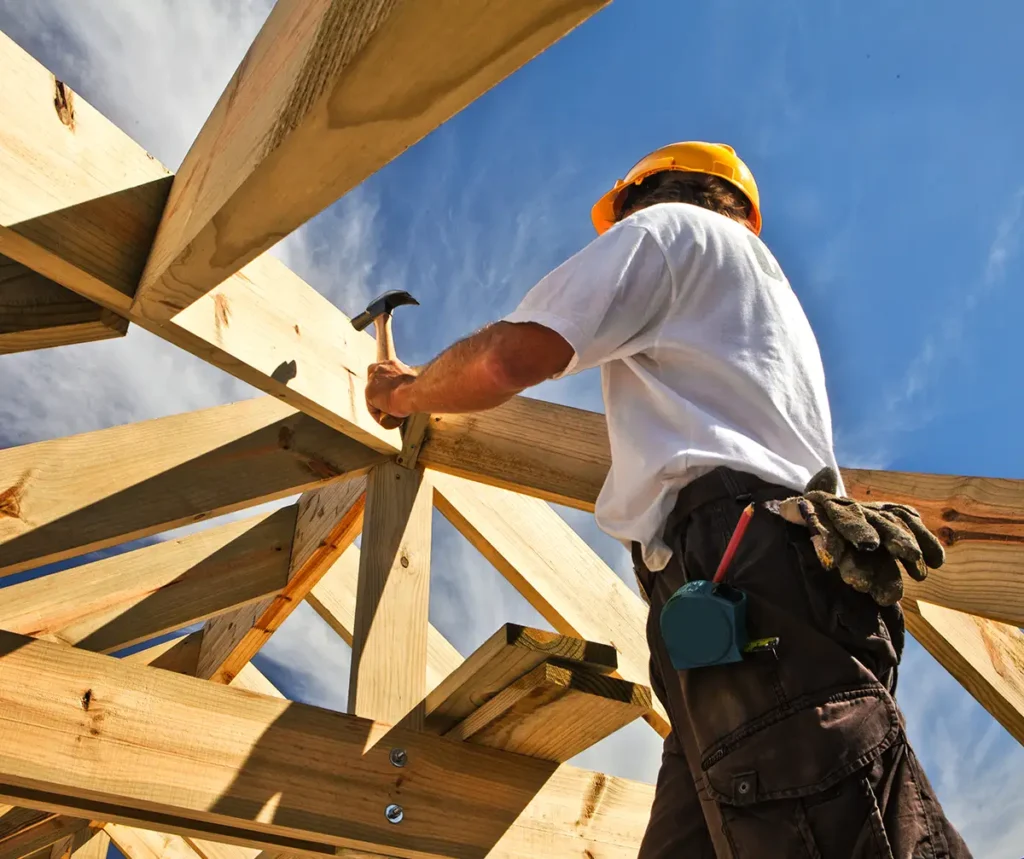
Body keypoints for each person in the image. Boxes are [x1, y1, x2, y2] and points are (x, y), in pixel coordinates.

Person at [364, 141, 970, 857]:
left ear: (645, 198)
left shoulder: (668, 231)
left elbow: (508, 357)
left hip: (739, 578)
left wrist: (404, 391)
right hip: (749, 600)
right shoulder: (757, 301)